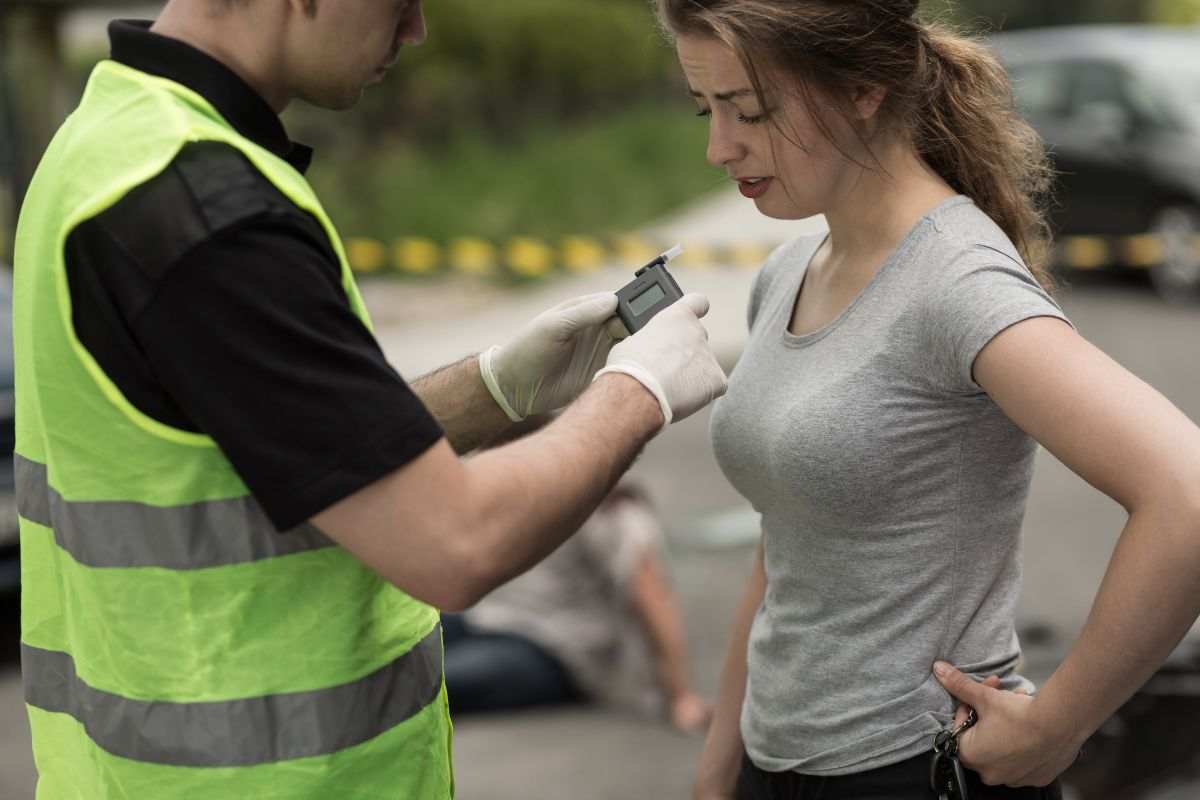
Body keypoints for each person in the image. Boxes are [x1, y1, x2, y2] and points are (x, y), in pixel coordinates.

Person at [12, 1, 727, 798]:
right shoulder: (209, 216)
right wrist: (637, 390)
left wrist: (498, 389)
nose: (415, 30)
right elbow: (456, 545)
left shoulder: (106, 143)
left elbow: (298, 459)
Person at [653, 1, 1200, 799]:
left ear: (864, 87)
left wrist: (1058, 727)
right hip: (774, 765)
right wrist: (721, 768)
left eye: (751, 110)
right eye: (708, 108)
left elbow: (1185, 494)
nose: (718, 146)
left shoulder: (957, 282)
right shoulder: (789, 272)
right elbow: (787, 542)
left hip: (917, 771)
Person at [443, 417, 712, 732]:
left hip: (557, 650)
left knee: (434, 681)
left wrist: (681, 697)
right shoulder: (516, 494)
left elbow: (651, 595)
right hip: (492, 619)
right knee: (399, 636)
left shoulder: (605, 506)